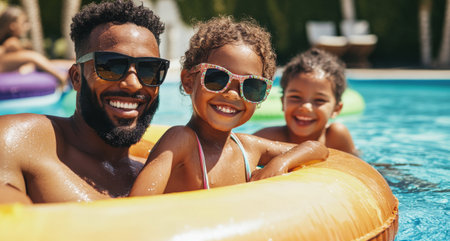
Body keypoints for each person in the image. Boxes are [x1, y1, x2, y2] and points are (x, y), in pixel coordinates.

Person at [129, 16, 328, 196]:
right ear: (189, 81)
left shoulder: (248, 148)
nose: (232, 94)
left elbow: (317, 148)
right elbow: (137, 205)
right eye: (216, 78)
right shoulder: (180, 142)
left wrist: (282, 162)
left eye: (251, 86)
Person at [0, 0, 170, 204]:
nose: (133, 84)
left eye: (149, 69)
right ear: (76, 78)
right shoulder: (20, 141)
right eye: (111, 66)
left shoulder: (155, 172)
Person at [254, 48, 358, 155]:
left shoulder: (335, 137)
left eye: (319, 100)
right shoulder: (267, 138)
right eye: (295, 97)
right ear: (282, 102)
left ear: (336, 109)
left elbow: (358, 167)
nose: (306, 107)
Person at [0, 5, 69, 86]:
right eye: (24, 23)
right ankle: (62, 77)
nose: (27, 26)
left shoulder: (9, 44)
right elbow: (32, 58)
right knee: (32, 57)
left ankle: (70, 64)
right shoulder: (11, 43)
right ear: (13, 26)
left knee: (44, 62)